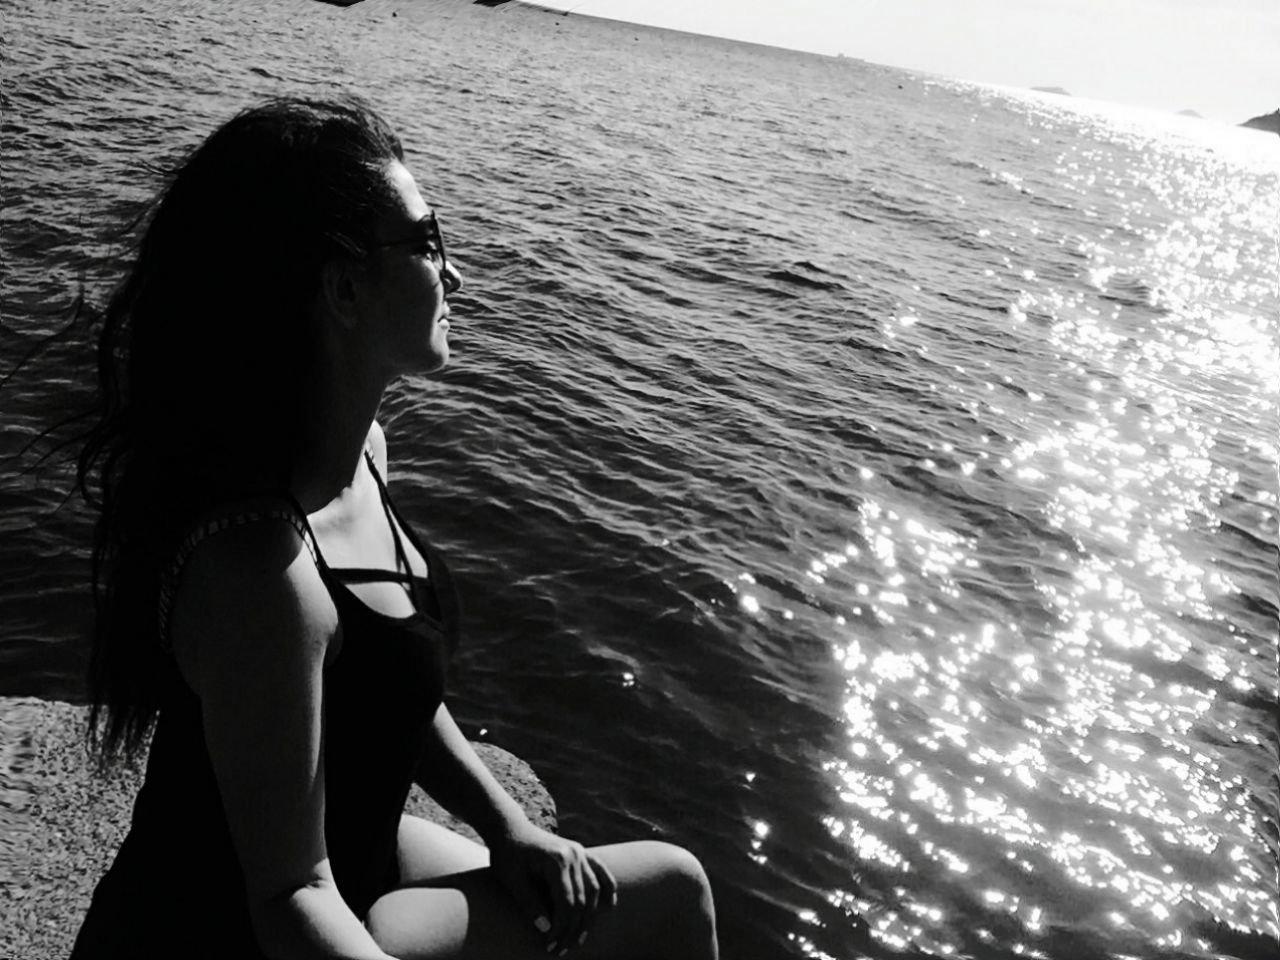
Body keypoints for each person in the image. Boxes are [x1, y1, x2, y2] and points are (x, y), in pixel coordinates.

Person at [69, 96, 718, 960]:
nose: (456, 277)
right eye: (428, 242)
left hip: (359, 863)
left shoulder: (364, 454)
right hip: (226, 931)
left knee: (645, 891)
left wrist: (508, 825)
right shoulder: (260, 571)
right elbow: (288, 896)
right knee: (670, 896)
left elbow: (387, 690)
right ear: (342, 288)